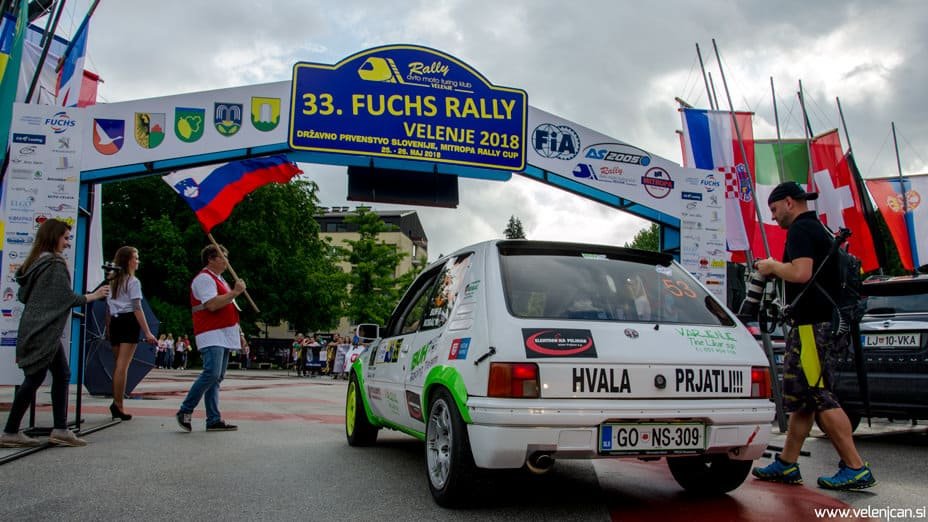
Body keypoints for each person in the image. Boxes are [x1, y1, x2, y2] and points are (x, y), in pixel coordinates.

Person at [751, 181, 875, 490]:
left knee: (820, 394)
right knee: (802, 400)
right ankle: (787, 464)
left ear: (789, 202)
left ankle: (854, 466)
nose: (774, 216)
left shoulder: (801, 230)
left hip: (812, 328)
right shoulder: (819, 229)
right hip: (818, 325)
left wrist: (770, 266)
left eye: (775, 209)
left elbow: (800, 273)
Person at [0, 219, 110, 447]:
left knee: (58, 374)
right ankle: (13, 431)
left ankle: (58, 428)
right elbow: (66, 298)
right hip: (45, 331)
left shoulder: (35, 263)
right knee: (37, 378)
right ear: (54, 237)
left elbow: (23, 296)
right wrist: (95, 295)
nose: (68, 243)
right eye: (66, 238)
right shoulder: (54, 264)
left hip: (35, 328)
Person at [175, 244, 245, 433]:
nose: (226, 261)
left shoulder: (219, 279)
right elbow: (212, 305)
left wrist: (240, 334)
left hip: (223, 333)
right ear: (211, 259)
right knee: (212, 373)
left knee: (217, 377)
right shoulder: (204, 279)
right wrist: (235, 292)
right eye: (223, 257)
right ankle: (185, 410)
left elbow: (230, 307)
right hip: (211, 332)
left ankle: (213, 419)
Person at [105, 246, 158, 420]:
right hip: (128, 322)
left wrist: (108, 327)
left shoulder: (111, 280)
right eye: (136, 257)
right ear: (128, 260)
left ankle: (117, 401)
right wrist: (148, 332)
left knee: (117, 365)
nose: (138, 261)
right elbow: (137, 308)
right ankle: (119, 404)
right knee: (123, 366)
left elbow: (108, 308)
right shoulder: (133, 282)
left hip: (114, 321)